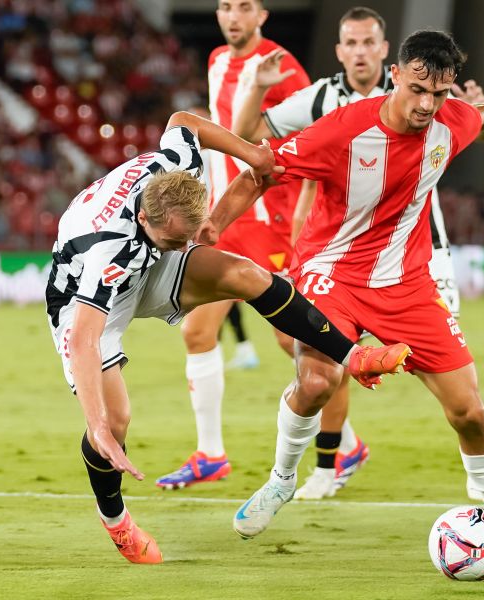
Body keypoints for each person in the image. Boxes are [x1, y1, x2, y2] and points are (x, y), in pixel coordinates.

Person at [214, 30, 484, 557]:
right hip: (332, 272)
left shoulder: (450, 120)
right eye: (417, 89)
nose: (426, 105)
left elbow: (480, 114)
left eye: (438, 94)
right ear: (395, 75)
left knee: (469, 411)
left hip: (408, 284)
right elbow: (260, 172)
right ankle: (282, 479)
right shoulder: (343, 130)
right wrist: (210, 230)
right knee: (317, 381)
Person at [45, 109, 410, 564]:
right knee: (114, 422)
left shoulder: (178, 166)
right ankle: (117, 521)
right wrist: (96, 423)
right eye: (175, 241)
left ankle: (352, 355)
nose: (183, 248)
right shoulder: (108, 249)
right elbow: (83, 339)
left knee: (244, 273)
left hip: (148, 264)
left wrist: (253, 155)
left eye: (185, 239)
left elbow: (185, 121)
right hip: (85, 300)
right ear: (143, 216)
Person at [232, 7, 484, 500]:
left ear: (382, 50)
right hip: (336, 262)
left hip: (420, 261)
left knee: (465, 403)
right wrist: (255, 90)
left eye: (367, 42)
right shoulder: (326, 106)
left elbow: (480, 120)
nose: (359, 52)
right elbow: (257, 145)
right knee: (315, 370)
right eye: (350, 43)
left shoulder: (444, 111)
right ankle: (313, 468)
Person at [155, 0, 312, 490]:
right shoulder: (217, 60)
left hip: (271, 219)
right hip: (228, 217)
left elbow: (311, 141)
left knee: (293, 338)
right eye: (225, 6)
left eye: (244, 7)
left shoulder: (284, 67)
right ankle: (211, 454)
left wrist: (300, 213)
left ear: (262, 14)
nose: (233, 16)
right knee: (198, 332)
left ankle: (342, 444)